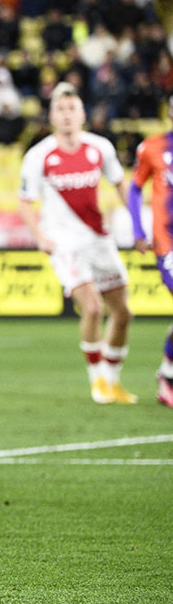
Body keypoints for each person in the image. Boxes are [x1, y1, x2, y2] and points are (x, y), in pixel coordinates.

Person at [19, 82, 136, 405]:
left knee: (123, 313)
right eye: (61, 109)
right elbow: (25, 201)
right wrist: (40, 237)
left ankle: (112, 382)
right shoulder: (39, 155)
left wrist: (139, 225)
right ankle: (97, 381)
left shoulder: (101, 148)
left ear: (83, 113)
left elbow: (121, 185)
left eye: (72, 108)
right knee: (93, 307)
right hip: (64, 244)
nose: (67, 115)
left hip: (99, 239)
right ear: (52, 116)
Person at [128, 93, 173, 407]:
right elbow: (134, 187)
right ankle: (168, 375)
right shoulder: (152, 148)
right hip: (167, 243)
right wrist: (137, 229)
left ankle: (167, 372)